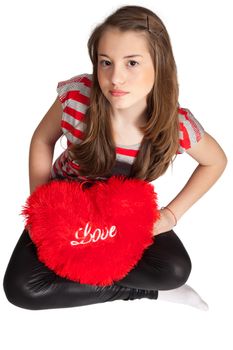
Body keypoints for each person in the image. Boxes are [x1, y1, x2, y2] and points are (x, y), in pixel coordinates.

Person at [3, 5, 227, 311]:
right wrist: (42, 204)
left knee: (174, 270)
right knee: (21, 289)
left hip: (121, 214)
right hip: (69, 204)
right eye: (105, 62)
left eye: (132, 63)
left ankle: (136, 280)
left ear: (160, 65)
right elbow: (43, 139)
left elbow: (215, 161)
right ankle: (139, 291)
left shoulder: (175, 126)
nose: (115, 78)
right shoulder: (78, 97)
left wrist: (171, 215)